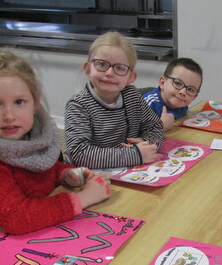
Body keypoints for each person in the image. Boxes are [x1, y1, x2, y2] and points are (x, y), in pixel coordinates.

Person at [0, 50, 111, 235]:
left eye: (19, 102)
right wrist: (84, 198)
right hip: (4, 248)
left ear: (35, 103)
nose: (9, 116)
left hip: (43, 229)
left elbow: (38, 171)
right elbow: (17, 218)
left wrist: (65, 174)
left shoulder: (32, 136)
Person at [65, 31, 164, 169]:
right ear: (88, 69)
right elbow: (78, 155)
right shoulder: (78, 105)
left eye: (119, 68)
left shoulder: (132, 96)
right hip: (90, 177)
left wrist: (146, 143)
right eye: (102, 64)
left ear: (131, 77)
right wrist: (135, 155)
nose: (109, 73)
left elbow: (155, 126)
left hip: (126, 172)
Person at [142, 57, 202, 130]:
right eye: (178, 83)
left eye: (190, 89)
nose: (183, 92)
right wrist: (161, 126)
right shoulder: (148, 104)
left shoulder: (181, 104)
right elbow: (134, 135)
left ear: (194, 97)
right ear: (162, 83)